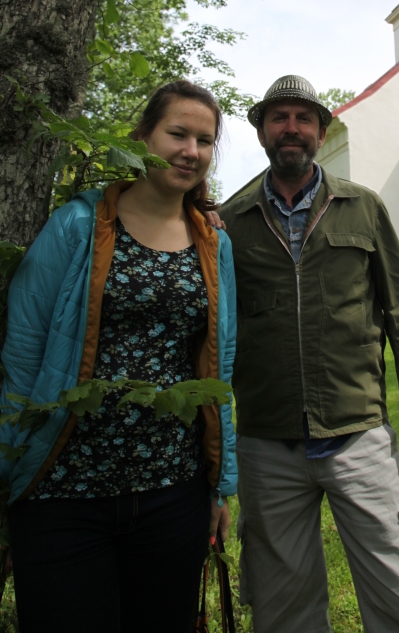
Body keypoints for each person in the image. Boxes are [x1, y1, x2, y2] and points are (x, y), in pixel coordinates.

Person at [0, 80, 236, 633]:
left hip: (171, 491)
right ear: (142, 138)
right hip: (64, 490)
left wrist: (220, 485)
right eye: (177, 133)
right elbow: (24, 348)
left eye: (205, 140)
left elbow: (217, 366)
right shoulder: (77, 225)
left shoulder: (213, 242)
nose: (191, 151)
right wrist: (9, 469)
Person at [219, 74, 399, 633]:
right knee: (282, 605)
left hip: (357, 430)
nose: (291, 128)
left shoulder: (363, 207)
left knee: (398, 593)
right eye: (279, 118)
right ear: (263, 131)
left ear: (321, 131)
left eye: (303, 118)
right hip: (268, 442)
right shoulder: (229, 220)